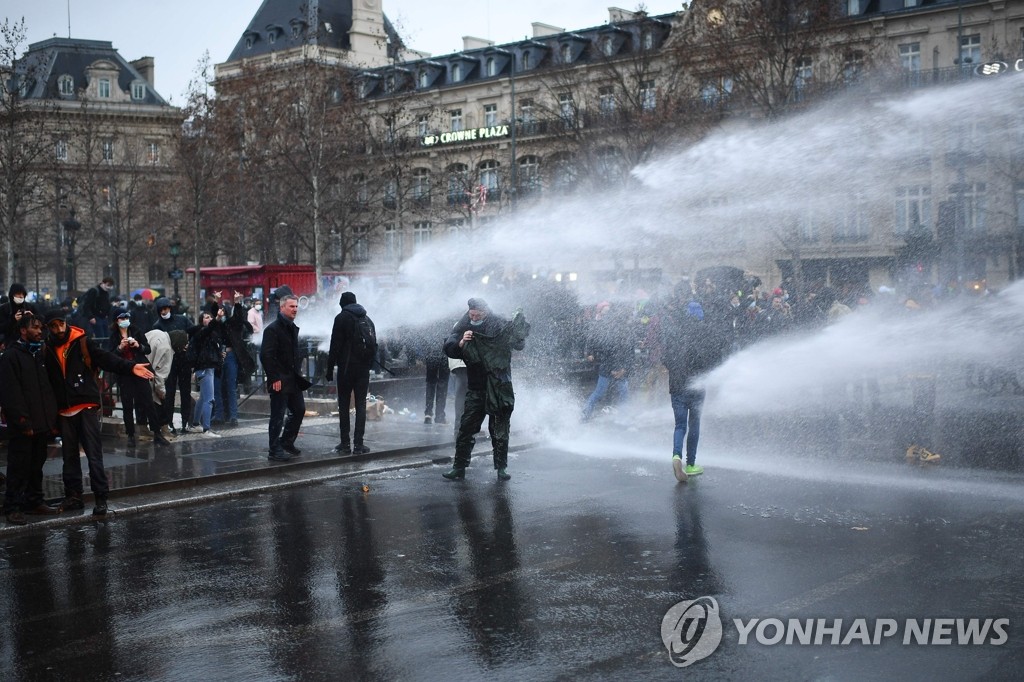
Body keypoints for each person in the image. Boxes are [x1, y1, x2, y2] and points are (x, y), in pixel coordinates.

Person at [43, 308, 155, 515]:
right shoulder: (47, 348)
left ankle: (100, 497)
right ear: (48, 328)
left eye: (61, 324)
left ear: (66, 323)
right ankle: (74, 496)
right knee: (69, 458)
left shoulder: (82, 341)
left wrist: (130, 367)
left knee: (94, 455)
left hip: (85, 406)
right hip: (64, 409)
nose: (58, 329)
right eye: (53, 326)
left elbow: (105, 358)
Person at [442, 298, 529, 481]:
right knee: (466, 428)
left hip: (498, 386)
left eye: (477, 314)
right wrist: (460, 342)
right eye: (471, 314)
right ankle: (459, 467)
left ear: (486, 311)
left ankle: (501, 468)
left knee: (499, 429)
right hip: (476, 385)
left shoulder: (498, 323)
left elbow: (518, 344)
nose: (473, 317)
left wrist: (518, 329)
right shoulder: (464, 323)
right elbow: (449, 346)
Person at [661, 284, 728, 482]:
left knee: (679, 425)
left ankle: (676, 456)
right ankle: (691, 464)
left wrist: (676, 369)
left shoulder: (675, 332)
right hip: (697, 387)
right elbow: (714, 359)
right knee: (694, 424)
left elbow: (665, 358)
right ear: (699, 315)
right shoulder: (705, 332)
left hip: (677, 385)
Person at [0, 314, 60, 525]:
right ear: (23, 331)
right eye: (35, 327)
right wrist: (22, 421)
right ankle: (12, 507)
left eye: (40, 327)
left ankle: (34, 501)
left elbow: (45, 389)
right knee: (19, 467)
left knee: (36, 465)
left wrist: (50, 420)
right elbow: (10, 393)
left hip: (41, 423)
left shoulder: (38, 354)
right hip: (24, 425)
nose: (40, 331)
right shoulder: (11, 356)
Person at [107, 311, 171, 448]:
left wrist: (138, 346)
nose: (125, 320)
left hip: (140, 370)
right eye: (122, 318)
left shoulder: (136, 331)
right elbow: (110, 356)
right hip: (125, 373)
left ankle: (157, 433)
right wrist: (120, 348)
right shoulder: (113, 336)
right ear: (116, 321)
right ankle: (131, 435)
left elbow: (147, 349)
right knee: (128, 405)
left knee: (148, 402)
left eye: (126, 317)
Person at [325, 291, 377, 455]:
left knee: (344, 405)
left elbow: (335, 345)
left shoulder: (341, 318)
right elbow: (374, 345)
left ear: (343, 304)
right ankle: (359, 444)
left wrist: (329, 369)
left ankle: (345, 443)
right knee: (361, 405)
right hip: (363, 370)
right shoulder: (367, 319)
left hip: (346, 369)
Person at [260, 294, 309, 461]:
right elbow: (266, 355)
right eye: (291, 306)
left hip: (292, 379)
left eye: (296, 306)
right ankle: (274, 450)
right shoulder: (273, 329)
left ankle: (286, 442)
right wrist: (274, 378)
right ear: (282, 308)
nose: (295, 309)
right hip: (280, 380)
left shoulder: (292, 327)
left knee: (299, 410)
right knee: (277, 415)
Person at [580, 301, 634, 422]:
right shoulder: (609, 331)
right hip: (610, 368)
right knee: (600, 393)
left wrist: (623, 370)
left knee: (623, 393)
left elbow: (630, 354)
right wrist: (614, 370)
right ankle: (585, 415)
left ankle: (624, 417)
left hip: (619, 368)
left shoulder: (627, 333)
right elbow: (608, 351)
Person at [151, 296, 194, 433]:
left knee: (185, 392)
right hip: (168, 362)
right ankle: (169, 422)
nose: (164, 312)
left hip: (184, 360)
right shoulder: (157, 325)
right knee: (168, 394)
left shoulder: (182, 319)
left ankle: (185, 422)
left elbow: (193, 332)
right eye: (162, 310)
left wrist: (188, 345)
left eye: (166, 308)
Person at [212, 292, 254, 427]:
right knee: (217, 388)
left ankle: (233, 416)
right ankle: (219, 415)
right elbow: (214, 315)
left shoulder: (231, 324)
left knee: (231, 387)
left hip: (229, 356)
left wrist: (237, 302)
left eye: (223, 311)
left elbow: (239, 317)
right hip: (217, 357)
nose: (221, 313)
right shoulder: (215, 324)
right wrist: (216, 301)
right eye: (220, 311)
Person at [187, 309, 224, 437]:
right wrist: (218, 317)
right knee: (209, 399)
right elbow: (210, 328)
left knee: (203, 398)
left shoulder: (210, 334)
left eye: (210, 317)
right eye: (206, 317)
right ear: (201, 321)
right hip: (204, 368)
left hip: (208, 367)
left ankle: (195, 424)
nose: (208, 319)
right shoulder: (201, 332)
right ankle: (206, 429)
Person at [0, 283, 39, 350]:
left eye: (22, 294)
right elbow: (1, 328)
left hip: (29, 343)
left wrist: (33, 317)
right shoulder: (4, 308)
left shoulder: (30, 307)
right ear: (12, 295)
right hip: (10, 343)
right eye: (18, 294)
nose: (21, 296)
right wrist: (13, 320)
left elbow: (41, 321)